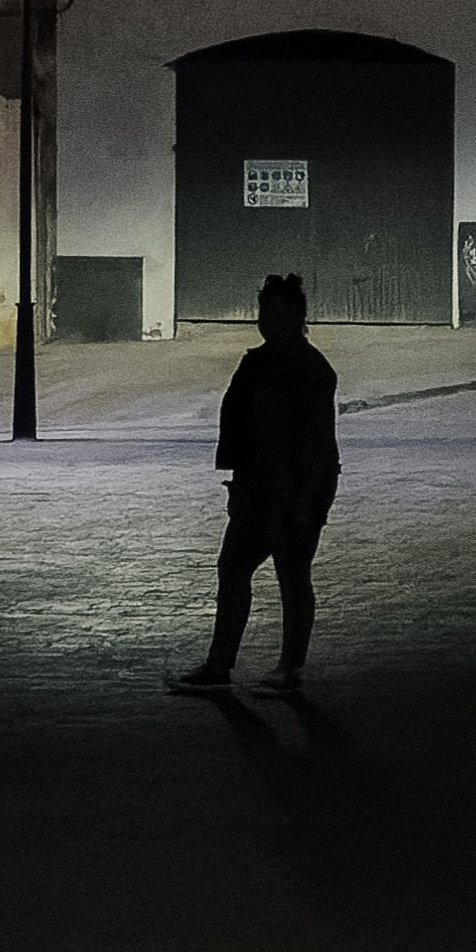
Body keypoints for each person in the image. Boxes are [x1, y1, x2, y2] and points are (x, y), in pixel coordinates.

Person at [170, 273, 340, 697]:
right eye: (266, 314)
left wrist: (303, 500)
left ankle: (284, 667)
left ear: (298, 316)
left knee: (290, 572)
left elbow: (315, 442)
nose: (270, 323)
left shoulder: (309, 370)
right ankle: (222, 663)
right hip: (260, 485)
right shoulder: (260, 363)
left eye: (279, 315)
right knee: (236, 569)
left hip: (296, 485)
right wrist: (241, 482)